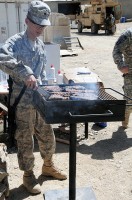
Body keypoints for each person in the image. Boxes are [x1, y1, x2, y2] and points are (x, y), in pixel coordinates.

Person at [0, 0, 67, 195]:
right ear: (27, 21)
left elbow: (43, 71)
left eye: (43, 25)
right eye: (37, 24)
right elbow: (2, 58)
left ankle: (48, 166)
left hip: (40, 98)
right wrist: (24, 72)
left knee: (47, 133)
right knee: (25, 138)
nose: (40, 29)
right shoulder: (14, 42)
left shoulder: (39, 44)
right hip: (22, 100)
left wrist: (48, 88)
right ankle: (28, 176)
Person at [113, 27, 132, 129]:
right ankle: (124, 123)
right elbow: (116, 50)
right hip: (130, 74)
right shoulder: (128, 34)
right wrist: (121, 65)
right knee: (129, 101)